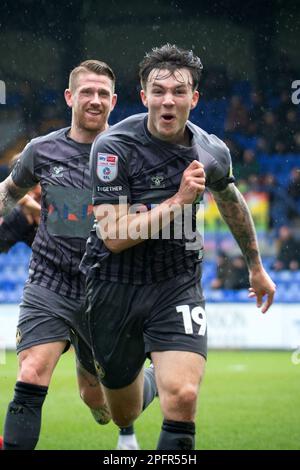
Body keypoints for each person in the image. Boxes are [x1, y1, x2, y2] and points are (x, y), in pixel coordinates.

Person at [80, 44, 276, 450]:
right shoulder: (113, 147)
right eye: (159, 90)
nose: (168, 99)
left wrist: (255, 265)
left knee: (184, 397)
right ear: (144, 94)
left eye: (179, 90)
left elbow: (230, 199)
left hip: (177, 283)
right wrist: (179, 201)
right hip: (115, 285)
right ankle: (146, 379)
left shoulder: (212, 150)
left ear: (194, 97)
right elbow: (114, 236)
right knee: (122, 412)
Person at [0, 60, 155, 450]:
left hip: (107, 291)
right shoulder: (41, 150)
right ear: (70, 96)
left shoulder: (132, 153)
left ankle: (144, 385)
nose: (95, 99)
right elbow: (8, 194)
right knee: (32, 370)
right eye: (87, 91)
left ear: (114, 101)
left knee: (103, 405)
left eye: (103, 93)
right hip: (50, 282)